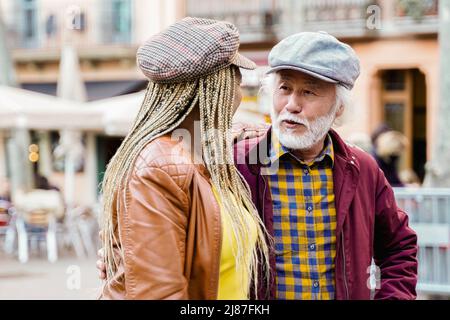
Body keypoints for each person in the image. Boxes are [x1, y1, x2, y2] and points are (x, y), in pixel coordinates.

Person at [99, 31, 418, 300]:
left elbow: (400, 246)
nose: (292, 104)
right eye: (284, 88)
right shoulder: (228, 162)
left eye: (309, 92)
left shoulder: (362, 169)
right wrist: (125, 262)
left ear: (338, 107)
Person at [98, 17, 271, 300]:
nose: (241, 94)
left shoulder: (204, 155)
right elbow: (159, 294)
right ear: (216, 88)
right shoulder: (159, 167)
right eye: (237, 82)